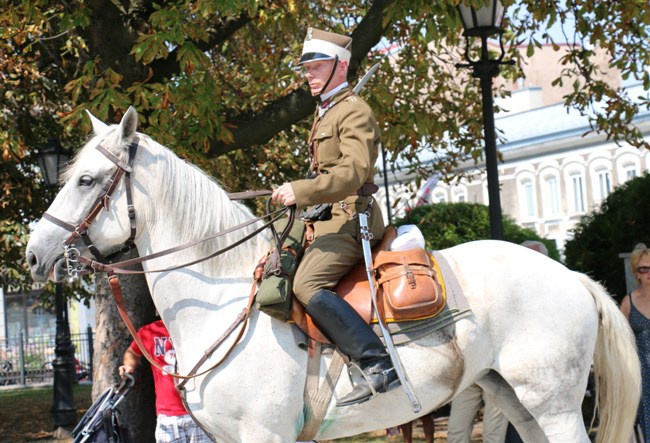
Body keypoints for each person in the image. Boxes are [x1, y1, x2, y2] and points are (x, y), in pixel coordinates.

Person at [271, 26, 396, 406]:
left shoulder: (353, 110)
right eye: (305, 67)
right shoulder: (327, 111)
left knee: (306, 286)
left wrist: (303, 190)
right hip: (327, 215)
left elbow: (355, 171)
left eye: (315, 66)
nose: (307, 73)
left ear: (339, 67)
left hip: (351, 216)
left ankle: (377, 363)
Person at [119, 319, 212, 443]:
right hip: (168, 416)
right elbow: (133, 352)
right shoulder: (149, 332)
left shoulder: (195, 326)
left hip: (200, 414)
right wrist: (129, 365)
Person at [620, 243, 650, 442]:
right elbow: (621, 346)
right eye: (644, 269)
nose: (649, 273)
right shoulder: (627, 303)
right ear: (636, 273)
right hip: (643, 380)